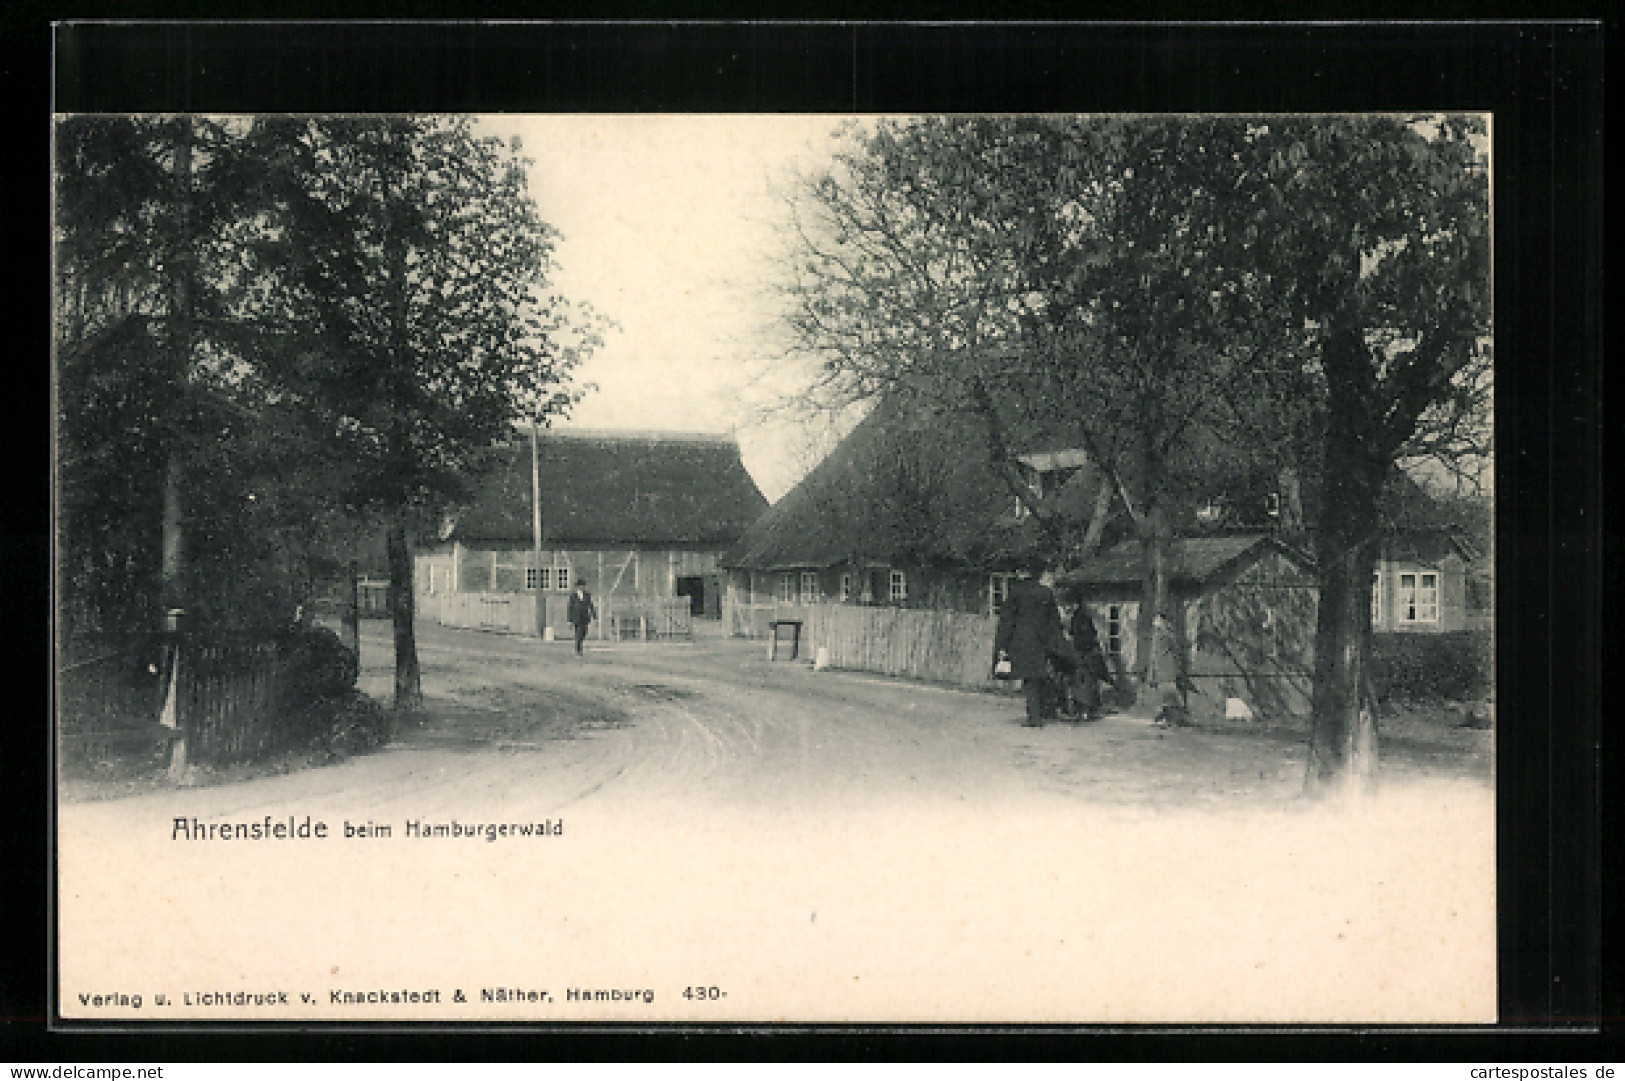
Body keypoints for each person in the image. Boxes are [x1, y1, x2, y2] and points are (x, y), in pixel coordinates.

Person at [993, 557, 1069, 727]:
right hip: (1042, 641)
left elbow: (1007, 622)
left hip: (1021, 642)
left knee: (1030, 680)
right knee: (1040, 676)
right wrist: (1057, 643)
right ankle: (1043, 711)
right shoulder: (1045, 592)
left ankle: (1034, 717)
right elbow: (1054, 621)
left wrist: (1002, 646)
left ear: (1021, 573)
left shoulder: (1015, 593)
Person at [1068, 598, 1112, 721]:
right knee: (1087, 683)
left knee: (1084, 683)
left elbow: (1079, 635)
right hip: (1086, 654)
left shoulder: (1079, 618)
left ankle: (1084, 710)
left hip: (1084, 654)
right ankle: (1087, 710)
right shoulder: (1083, 617)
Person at [566, 578, 596, 655]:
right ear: (577, 587)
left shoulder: (587, 595)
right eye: (580, 586)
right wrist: (569, 620)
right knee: (578, 633)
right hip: (576, 617)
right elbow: (570, 608)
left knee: (584, 632)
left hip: (585, 617)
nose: (581, 587)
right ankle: (578, 650)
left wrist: (594, 615)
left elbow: (591, 605)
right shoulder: (573, 596)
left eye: (583, 586)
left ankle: (579, 646)